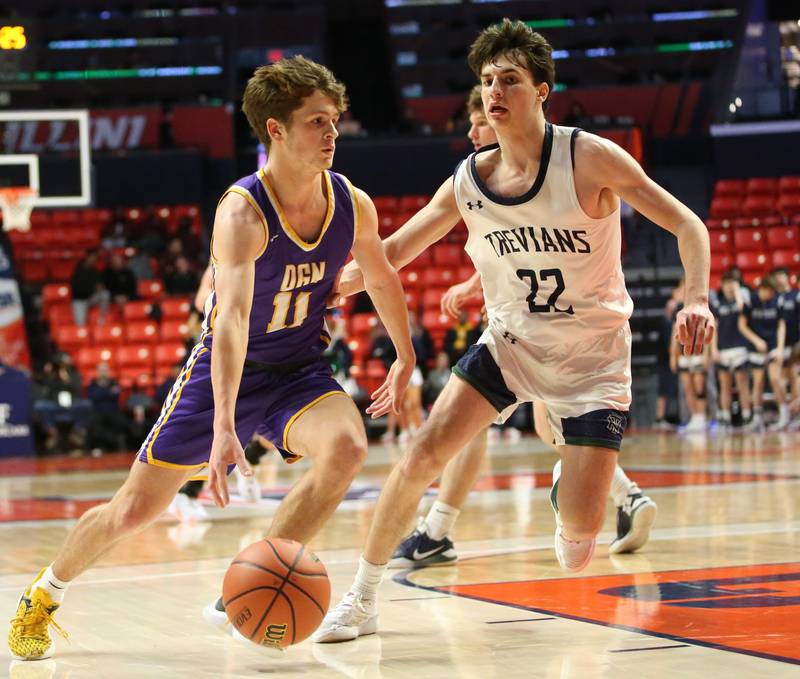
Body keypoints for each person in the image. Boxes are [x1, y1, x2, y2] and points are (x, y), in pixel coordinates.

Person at [314, 20, 713, 643]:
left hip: (594, 359)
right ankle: (362, 599)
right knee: (420, 455)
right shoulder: (469, 180)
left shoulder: (589, 157)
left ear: (542, 90)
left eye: (510, 80)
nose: (495, 92)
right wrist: (332, 284)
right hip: (511, 345)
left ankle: (570, 486)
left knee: (576, 551)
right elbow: (392, 250)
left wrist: (697, 299)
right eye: (487, 81)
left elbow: (689, 225)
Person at [8, 55, 415, 661]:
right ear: (275, 130)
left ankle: (247, 586)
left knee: (349, 447)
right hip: (226, 373)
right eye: (317, 122)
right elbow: (227, 323)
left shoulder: (352, 203)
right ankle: (44, 593)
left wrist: (405, 355)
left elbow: (380, 276)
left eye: (335, 120)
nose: (333, 134)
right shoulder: (243, 213)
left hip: (299, 370)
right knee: (135, 509)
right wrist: (225, 423)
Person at [362, 83, 658, 570]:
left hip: (569, 324)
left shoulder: (564, 161)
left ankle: (612, 495)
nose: (474, 132)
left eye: (479, 122)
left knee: (543, 430)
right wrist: (472, 282)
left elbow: (544, 238)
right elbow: (514, 240)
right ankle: (438, 528)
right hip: (518, 328)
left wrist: (471, 284)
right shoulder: (479, 180)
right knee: (511, 427)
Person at [738, 277, 789, 430]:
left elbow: (781, 325)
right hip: (756, 347)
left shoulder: (777, 301)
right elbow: (742, 325)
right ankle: (757, 417)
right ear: (763, 289)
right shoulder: (750, 302)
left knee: (775, 379)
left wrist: (780, 348)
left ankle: (784, 414)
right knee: (758, 382)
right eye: (769, 291)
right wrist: (756, 340)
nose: (771, 294)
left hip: (773, 345)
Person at [710, 271, 752, 430]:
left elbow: (743, 309)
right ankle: (726, 417)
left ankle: (747, 416)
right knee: (725, 385)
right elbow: (715, 327)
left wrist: (737, 292)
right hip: (724, 349)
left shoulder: (742, 300)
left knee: (742, 384)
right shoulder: (718, 303)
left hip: (740, 347)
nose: (729, 287)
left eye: (732, 283)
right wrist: (714, 349)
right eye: (726, 283)